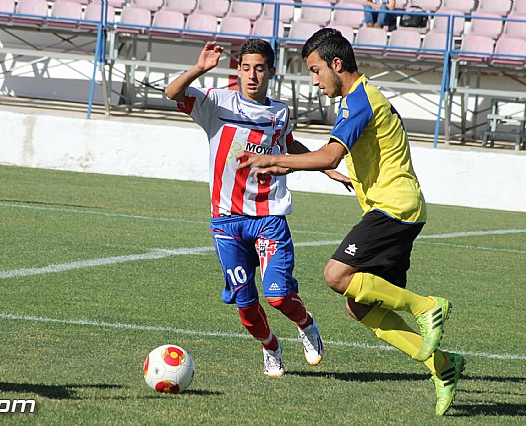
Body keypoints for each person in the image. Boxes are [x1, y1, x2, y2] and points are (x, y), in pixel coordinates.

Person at [237, 28, 464, 415]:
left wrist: (273, 161)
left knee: (336, 275)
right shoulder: (356, 100)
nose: (314, 80)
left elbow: (329, 156)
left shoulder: (359, 100)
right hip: (397, 209)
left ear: (336, 64)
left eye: (315, 70)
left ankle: (427, 306)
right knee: (359, 307)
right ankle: (443, 366)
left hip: (394, 208)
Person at [164, 39, 352, 376]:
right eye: (246, 68)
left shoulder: (280, 113)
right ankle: (270, 347)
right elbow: (172, 93)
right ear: (237, 70)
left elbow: (288, 144)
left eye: (260, 68)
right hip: (226, 221)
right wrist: (199, 69)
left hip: (268, 217)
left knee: (278, 296)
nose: (252, 76)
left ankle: (306, 325)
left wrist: (326, 168)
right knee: (246, 305)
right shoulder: (215, 102)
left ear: (271, 72)